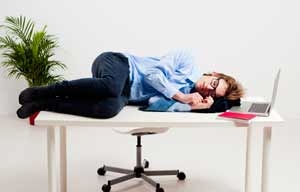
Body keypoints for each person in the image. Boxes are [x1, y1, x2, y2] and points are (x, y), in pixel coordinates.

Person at [16, 49, 245, 119]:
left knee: (108, 109)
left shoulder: (190, 98)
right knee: (110, 87)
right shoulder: (186, 60)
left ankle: (43, 104)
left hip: (126, 93)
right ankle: (46, 90)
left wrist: (191, 106)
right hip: (118, 65)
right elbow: (153, 76)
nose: (208, 88)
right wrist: (182, 97)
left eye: (214, 92)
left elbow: (152, 104)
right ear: (214, 72)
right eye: (214, 82)